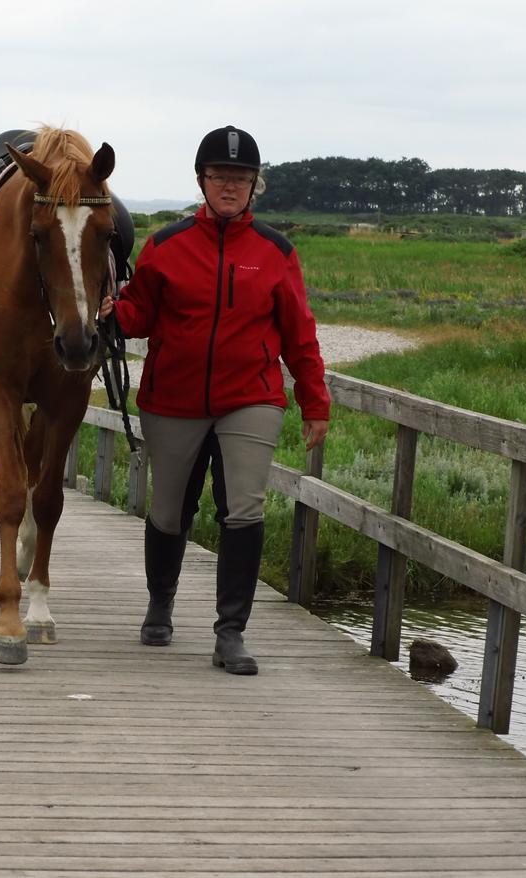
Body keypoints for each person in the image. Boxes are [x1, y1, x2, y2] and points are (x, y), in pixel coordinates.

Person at [98, 125, 330, 675]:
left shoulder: (276, 252)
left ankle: (231, 633)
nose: (230, 185)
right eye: (221, 176)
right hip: (173, 398)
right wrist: (113, 312)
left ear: (255, 185)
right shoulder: (166, 245)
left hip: (249, 397)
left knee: (243, 508)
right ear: (202, 180)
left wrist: (314, 402)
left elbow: (299, 332)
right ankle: (161, 602)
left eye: (241, 177)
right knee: (168, 509)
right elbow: (139, 314)